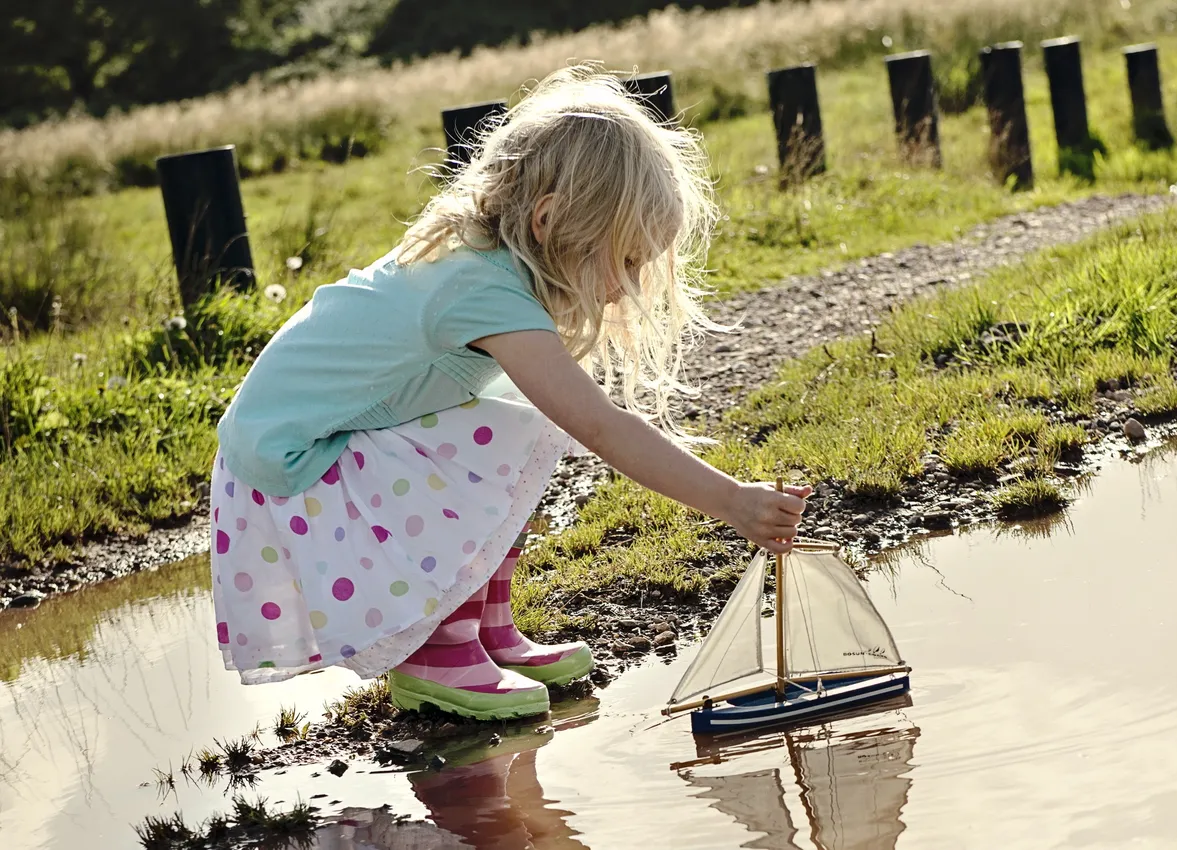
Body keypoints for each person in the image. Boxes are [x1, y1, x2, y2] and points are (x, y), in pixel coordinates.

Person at [208, 64, 812, 721]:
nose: (628, 286)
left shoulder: (491, 260)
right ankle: (438, 651)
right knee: (509, 433)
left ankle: (484, 628)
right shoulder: (481, 289)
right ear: (550, 220)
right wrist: (731, 501)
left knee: (513, 426)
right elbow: (599, 426)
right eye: (626, 260)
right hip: (296, 463)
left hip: (319, 440)